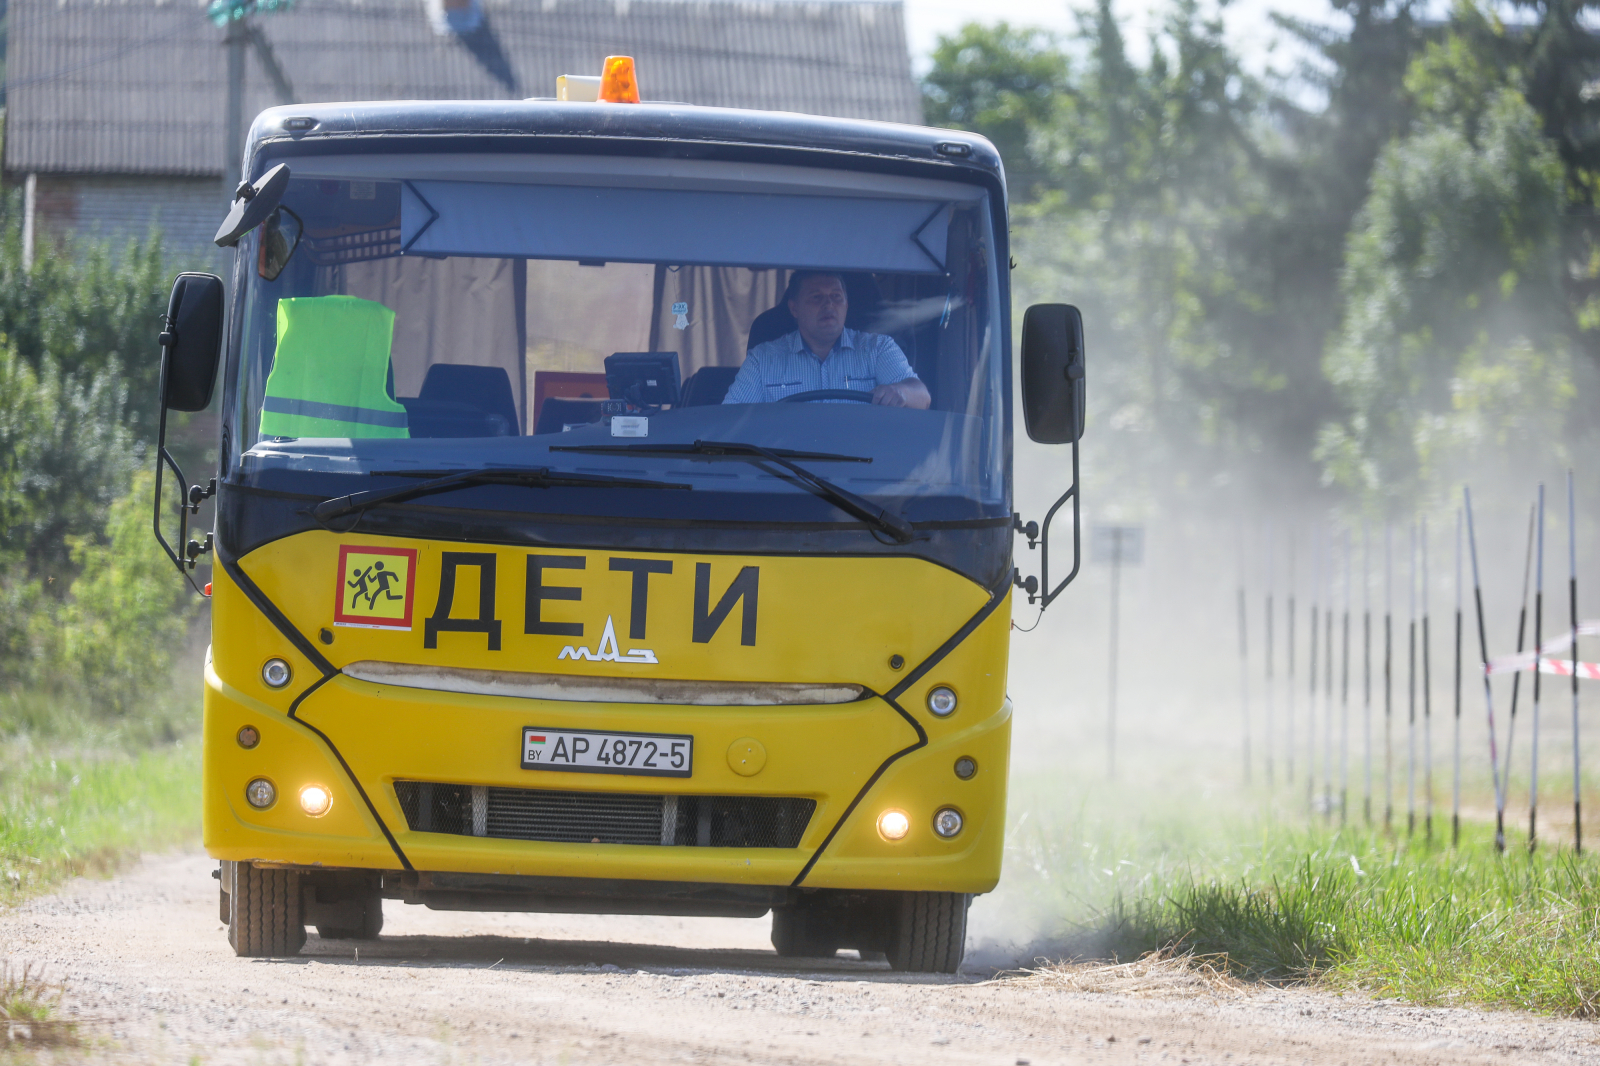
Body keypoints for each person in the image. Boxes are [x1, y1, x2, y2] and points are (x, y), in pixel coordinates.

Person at [722, 271, 931, 408]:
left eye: (836, 297)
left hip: (862, 468)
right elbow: (730, 420)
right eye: (816, 297)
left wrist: (901, 392)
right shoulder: (762, 359)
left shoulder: (878, 348)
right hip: (783, 471)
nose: (829, 305)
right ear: (794, 308)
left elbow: (923, 398)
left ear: (846, 305)